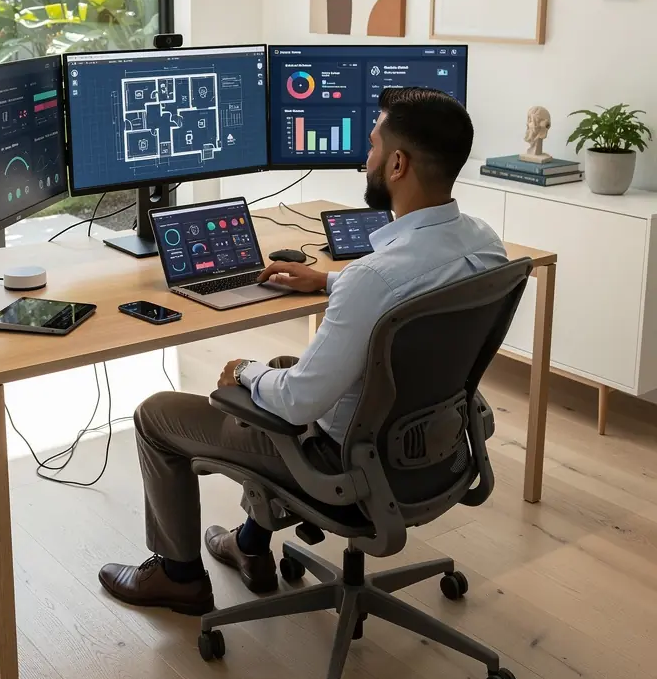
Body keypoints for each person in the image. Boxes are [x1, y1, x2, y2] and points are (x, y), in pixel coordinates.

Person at [98, 87, 507, 615]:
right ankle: (250, 545)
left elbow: (296, 405)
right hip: (437, 448)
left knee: (160, 413)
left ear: (398, 164)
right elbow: (403, 292)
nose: (366, 158)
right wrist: (330, 279)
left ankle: (178, 577)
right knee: (294, 368)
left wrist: (245, 371)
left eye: (373, 146)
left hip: (344, 468)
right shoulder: (485, 244)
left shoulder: (374, 279)